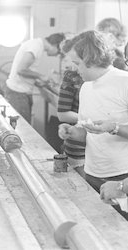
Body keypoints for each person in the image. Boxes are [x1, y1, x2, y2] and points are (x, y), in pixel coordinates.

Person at [58, 30, 128, 219]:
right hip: (92, 172)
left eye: (77, 63)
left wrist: (113, 127)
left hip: (122, 176)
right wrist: (72, 132)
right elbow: (87, 133)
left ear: (91, 58)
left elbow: (109, 129)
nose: (74, 69)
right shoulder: (86, 87)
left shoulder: (124, 84)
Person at [5, 33, 65, 123]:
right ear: (55, 45)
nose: (55, 55)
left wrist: (37, 82)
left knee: (23, 128)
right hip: (18, 94)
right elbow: (20, 70)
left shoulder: (37, 45)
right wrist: (41, 76)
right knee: (22, 129)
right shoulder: (36, 46)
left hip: (20, 92)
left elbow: (25, 71)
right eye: (58, 52)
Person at [57, 62, 86, 176]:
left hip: (103, 150)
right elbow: (62, 114)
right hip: (78, 148)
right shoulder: (72, 76)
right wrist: (90, 118)